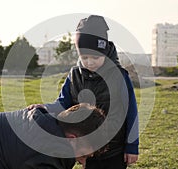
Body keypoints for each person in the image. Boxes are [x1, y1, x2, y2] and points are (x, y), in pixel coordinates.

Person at [28, 15, 139, 168]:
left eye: (95, 57)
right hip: (87, 148)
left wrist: (132, 146)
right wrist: (46, 108)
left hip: (115, 151)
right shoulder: (74, 76)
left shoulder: (119, 76)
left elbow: (131, 112)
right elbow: (62, 103)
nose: (90, 62)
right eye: (84, 57)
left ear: (105, 51)